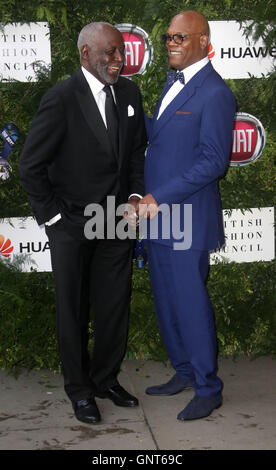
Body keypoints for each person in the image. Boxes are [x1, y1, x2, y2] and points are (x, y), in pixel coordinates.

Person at [19, 22, 147, 424]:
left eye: (120, 52)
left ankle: (105, 379)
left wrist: (133, 197)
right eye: (108, 52)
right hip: (72, 224)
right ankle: (79, 390)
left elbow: (136, 154)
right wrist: (55, 217)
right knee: (72, 310)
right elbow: (30, 165)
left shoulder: (128, 92)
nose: (117, 60)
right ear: (85, 54)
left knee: (113, 306)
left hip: (116, 223)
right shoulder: (61, 98)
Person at [138, 10, 236, 420]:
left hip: (187, 219)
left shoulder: (216, 93)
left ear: (202, 40)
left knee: (191, 304)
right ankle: (182, 370)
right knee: (166, 300)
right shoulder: (171, 83)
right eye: (167, 37)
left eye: (180, 37)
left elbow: (213, 162)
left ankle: (208, 387)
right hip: (156, 219)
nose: (171, 43)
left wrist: (159, 196)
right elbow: (162, 141)